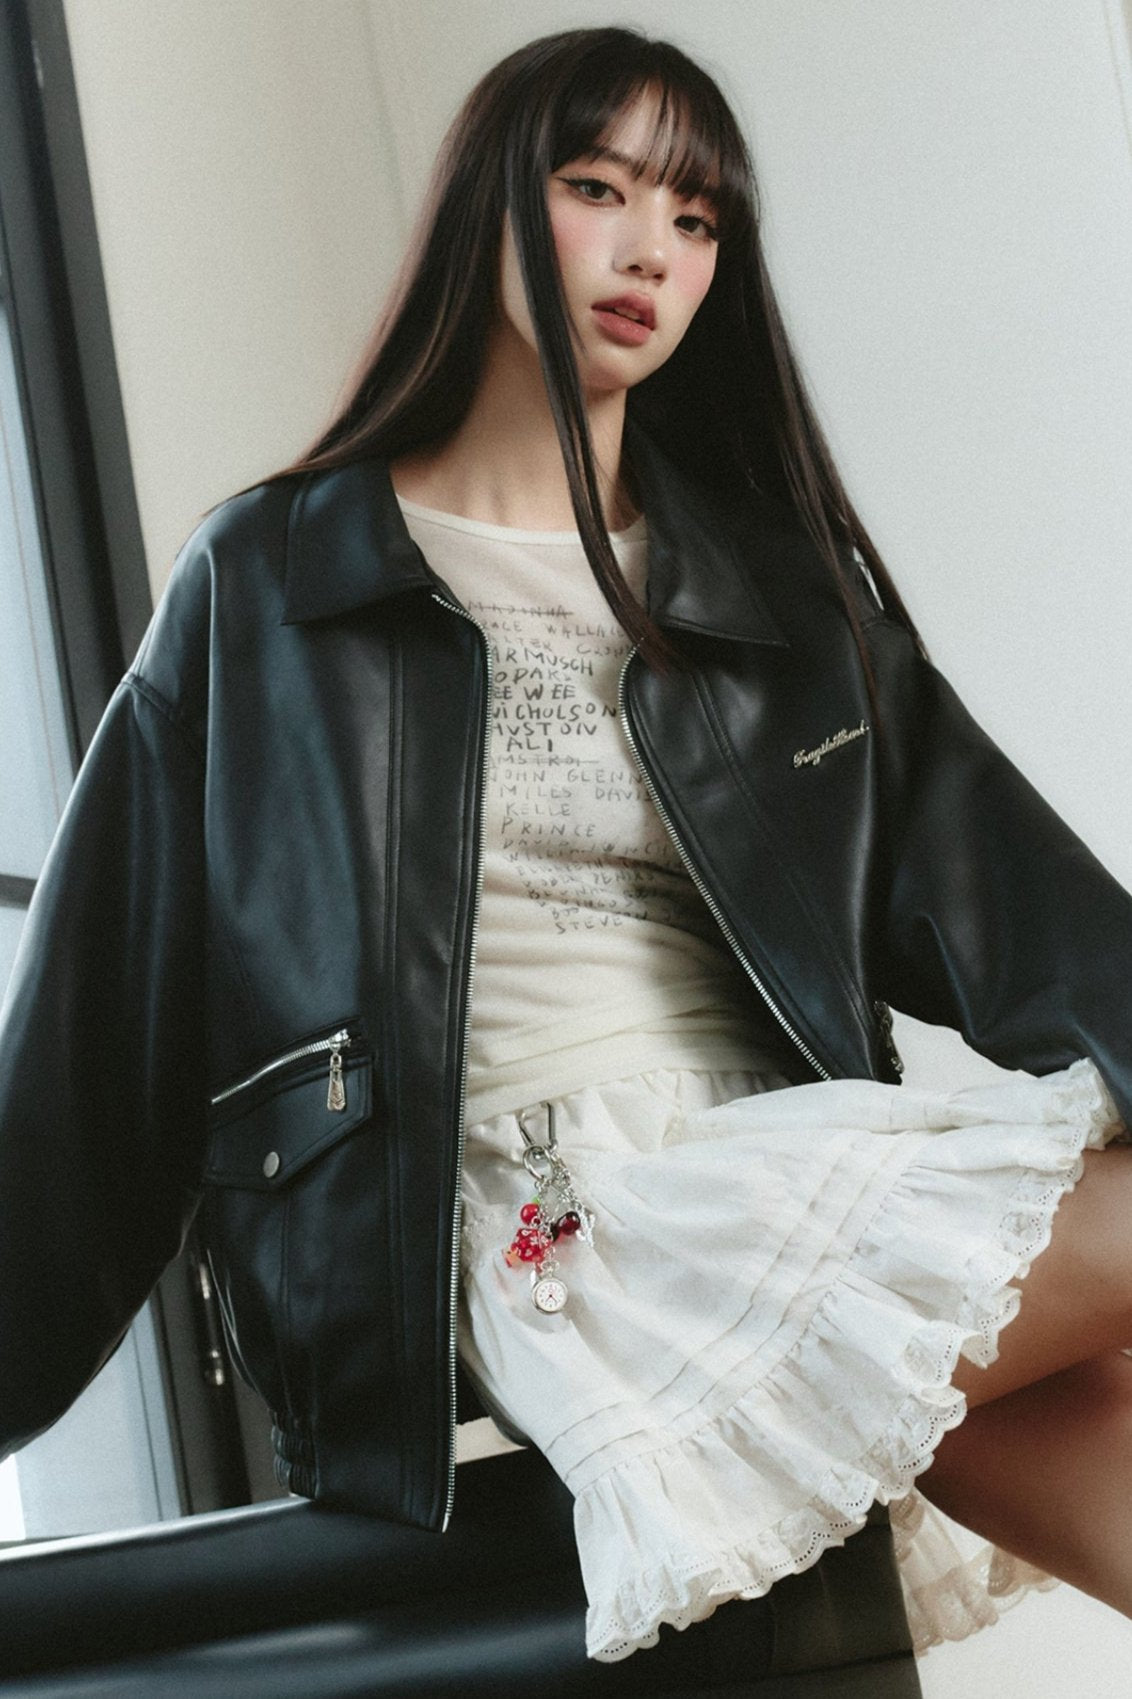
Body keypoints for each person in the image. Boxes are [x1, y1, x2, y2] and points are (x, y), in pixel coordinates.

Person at [1, 23, 1130, 1670]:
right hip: (553, 1220)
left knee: (1069, 1428)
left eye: (696, 217)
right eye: (599, 188)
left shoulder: (774, 600)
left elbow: (1025, 911)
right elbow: (94, 1060)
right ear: (491, 208)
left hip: (790, 1176)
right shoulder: (274, 584)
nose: (650, 249)